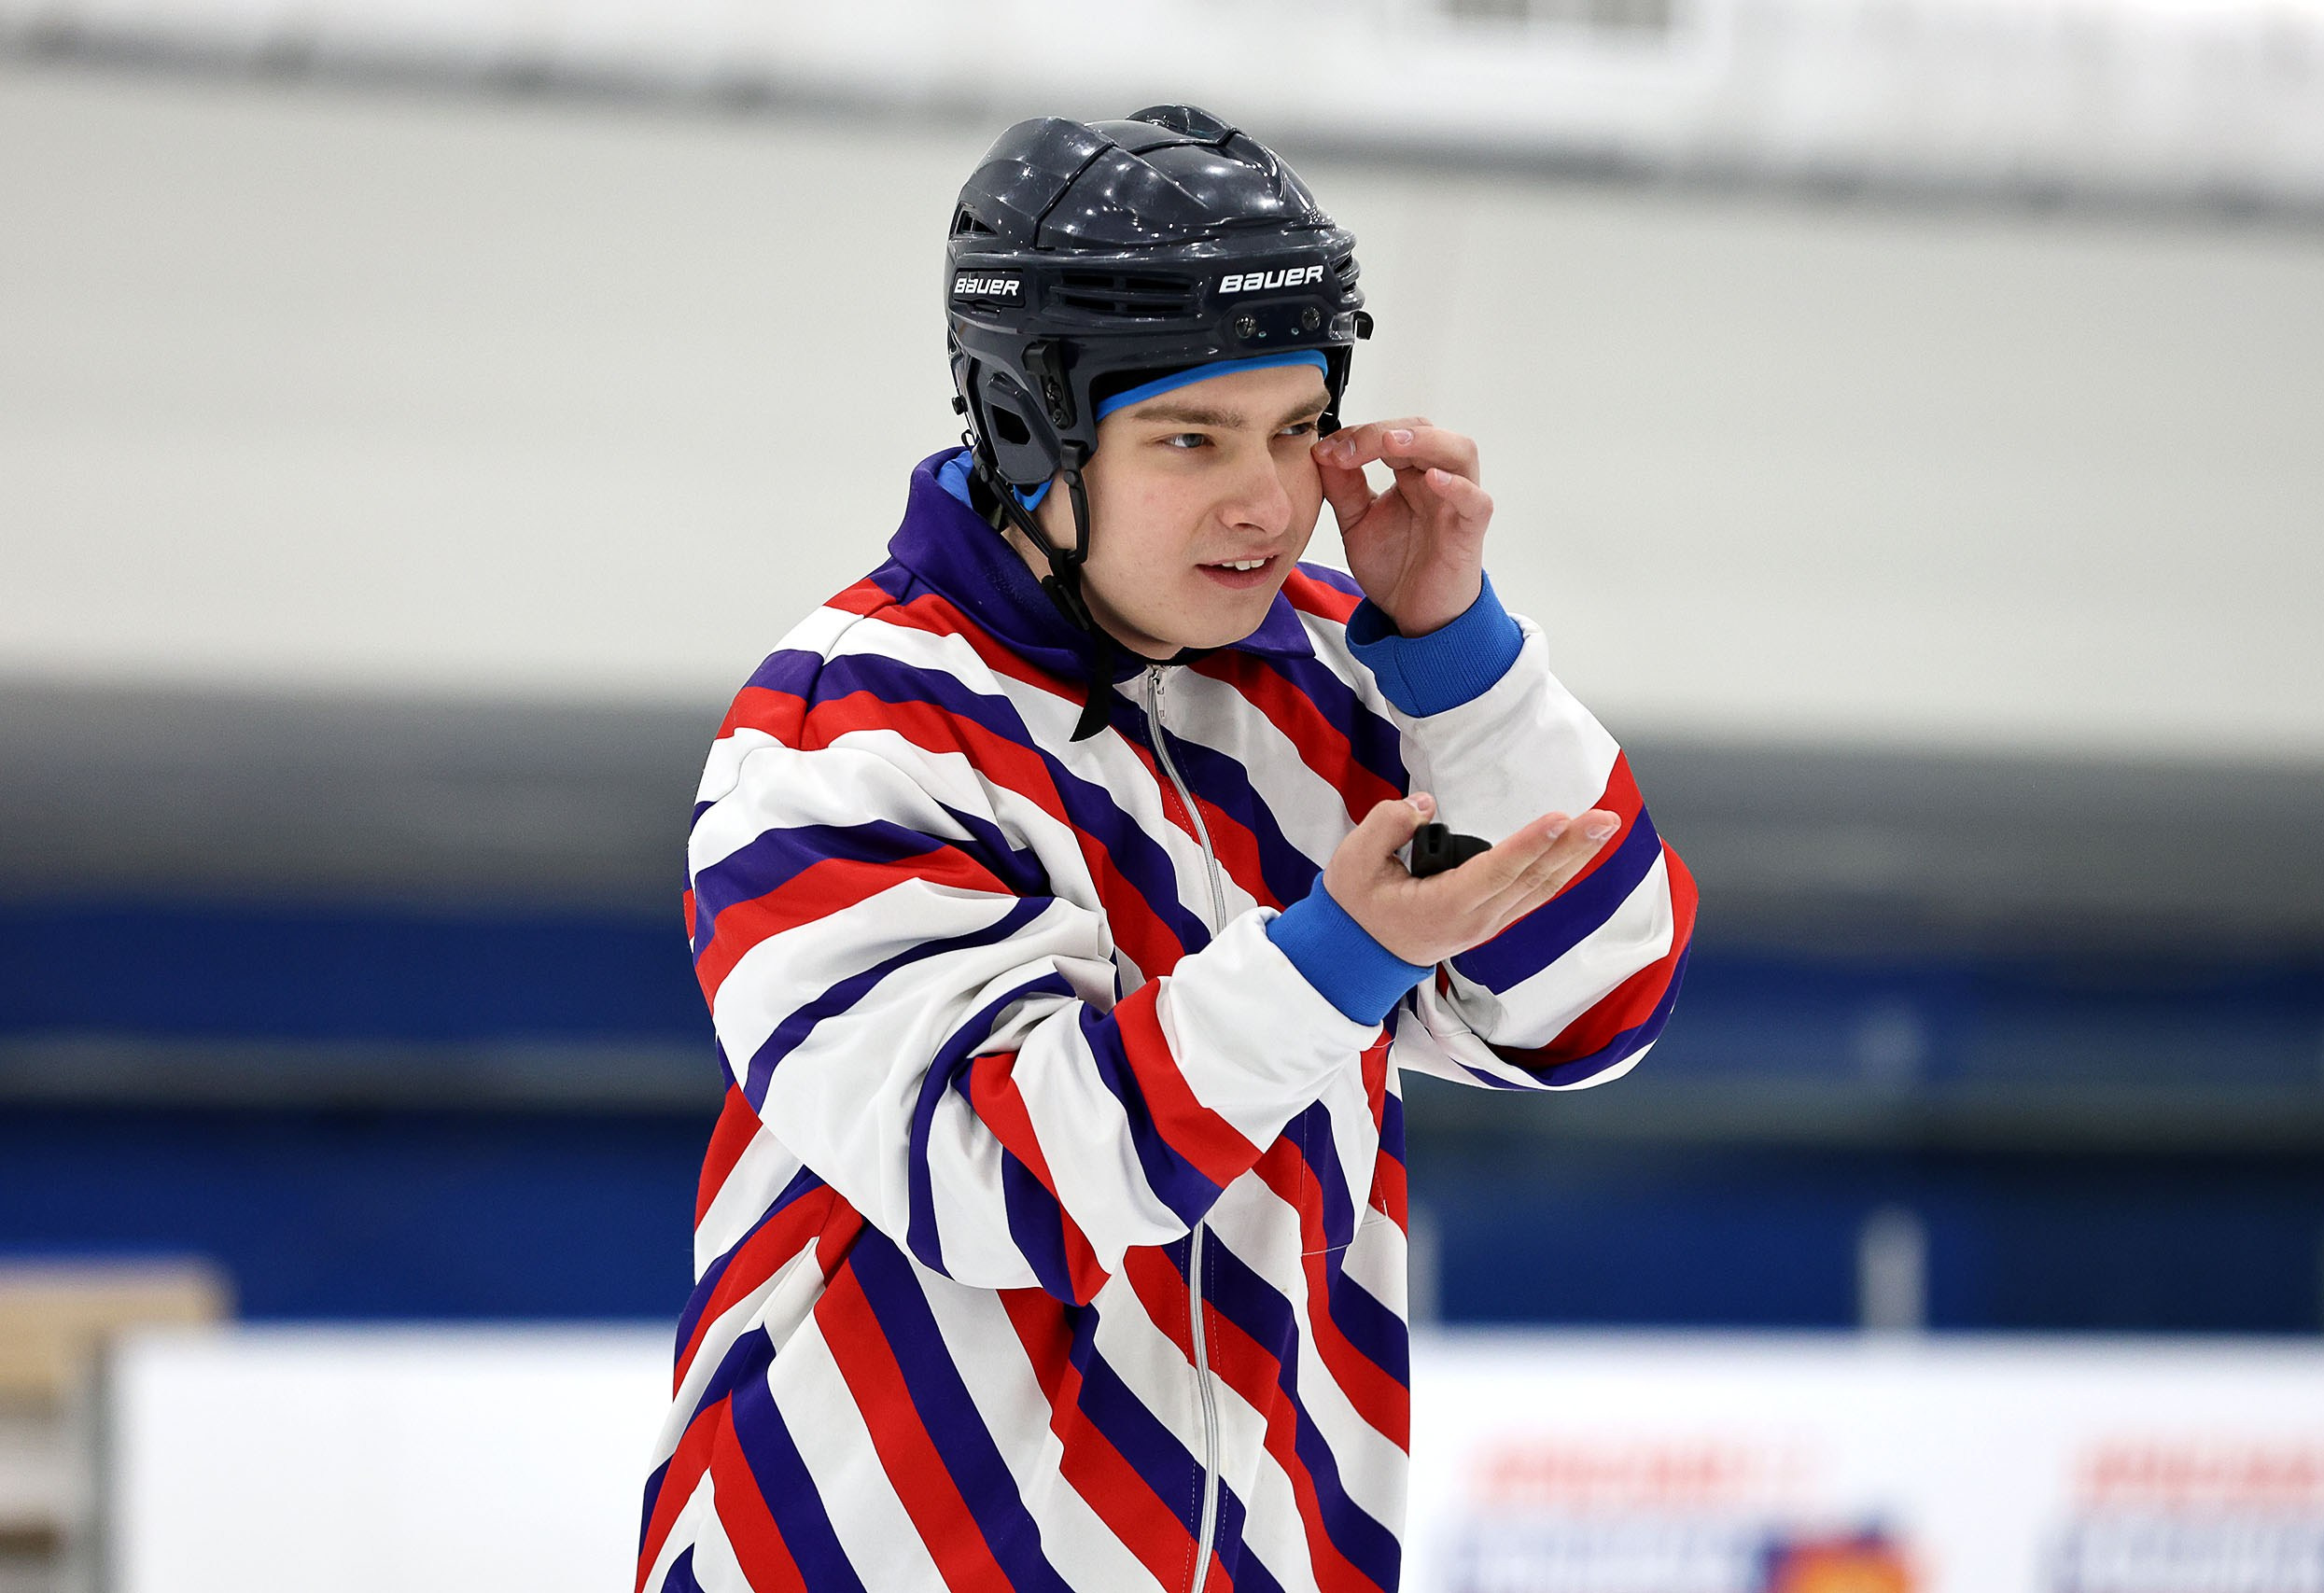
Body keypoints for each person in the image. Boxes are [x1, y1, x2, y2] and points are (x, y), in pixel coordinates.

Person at [637, 105, 1697, 1593]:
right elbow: (1002, 1172)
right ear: (1025, 429)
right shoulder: (847, 731)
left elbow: (1591, 1015)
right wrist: (1338, 961)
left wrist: (1464, 661)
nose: (1268, 503)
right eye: (1191, 437)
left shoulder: (1345, 681)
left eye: (1297, 429)